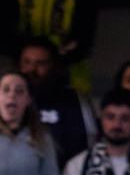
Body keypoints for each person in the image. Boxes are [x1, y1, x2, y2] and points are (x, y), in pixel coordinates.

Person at [17, 36, 94, 166]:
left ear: (55, 66)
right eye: (27, 62)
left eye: (40, 63)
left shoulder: (73, 100)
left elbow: (87, 147)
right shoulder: (2, 98)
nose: (32, 69)